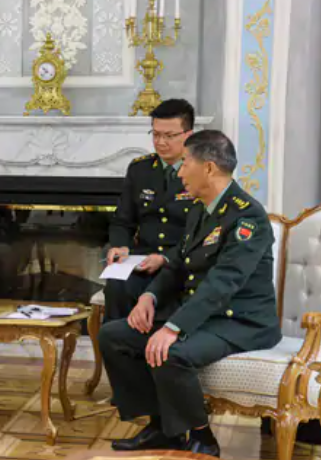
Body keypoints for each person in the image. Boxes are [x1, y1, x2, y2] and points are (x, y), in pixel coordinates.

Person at [99, 130, 281, 457]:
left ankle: (202, 438)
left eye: (185, 163)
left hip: (240, 322)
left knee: (171, 352)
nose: (179, 172)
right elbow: (177, 265)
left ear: (208, 168)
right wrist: (149, 297)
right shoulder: (199, 209)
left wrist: (173, 327)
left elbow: (223, 283)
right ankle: (162, 428)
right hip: (205, 317)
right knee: (115, 335)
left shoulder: (247, 217)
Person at [104, 99, 196, 321]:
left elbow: (203, 233)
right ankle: (116, 341)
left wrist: (165, 258)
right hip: (142, 262)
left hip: (182, 263)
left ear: (188, 135)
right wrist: (120, 246)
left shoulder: (200, 171)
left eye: (169, 135)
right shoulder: (140, 169)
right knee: (116, 283)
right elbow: (122, 220)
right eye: (155, 134)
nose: (160, 142)